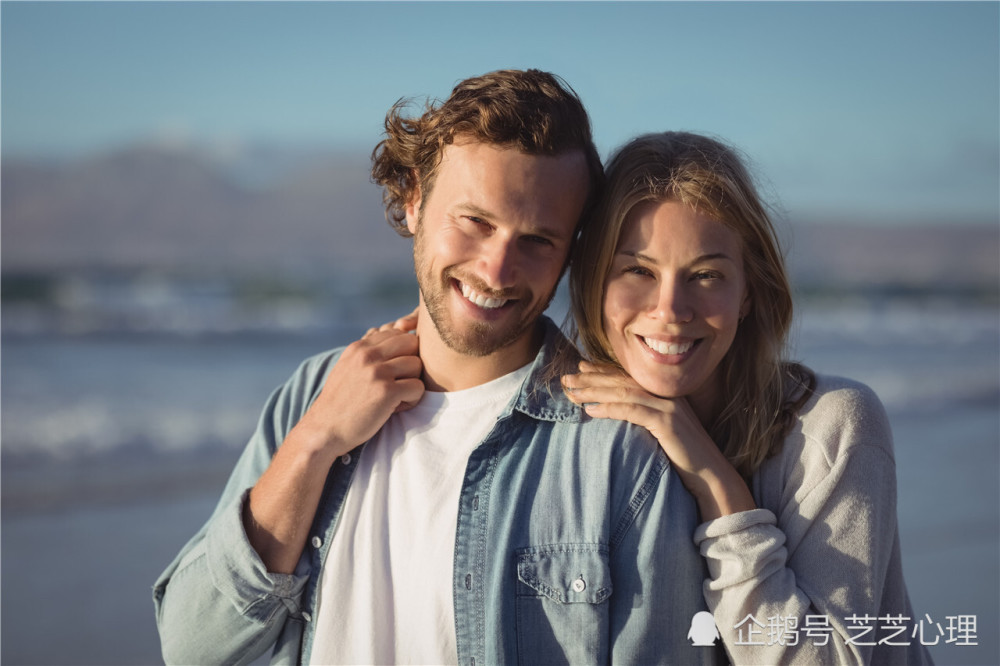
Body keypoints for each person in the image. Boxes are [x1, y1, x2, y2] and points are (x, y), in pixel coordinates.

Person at [153, 71, 714, 665]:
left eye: (538, 241)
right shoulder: (312, 398)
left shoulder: (618, 453)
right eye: (475, 222)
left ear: (571, 251)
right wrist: (315, 442)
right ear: (415, 200)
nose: (497, 271)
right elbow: (192, 647)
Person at [562, 131, 932, 664]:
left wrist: (712, 477)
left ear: (748, 292)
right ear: (594, 280)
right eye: (638, 271)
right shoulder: (572, 435)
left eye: (706, 275)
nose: (670, 309)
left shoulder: (835, 427)